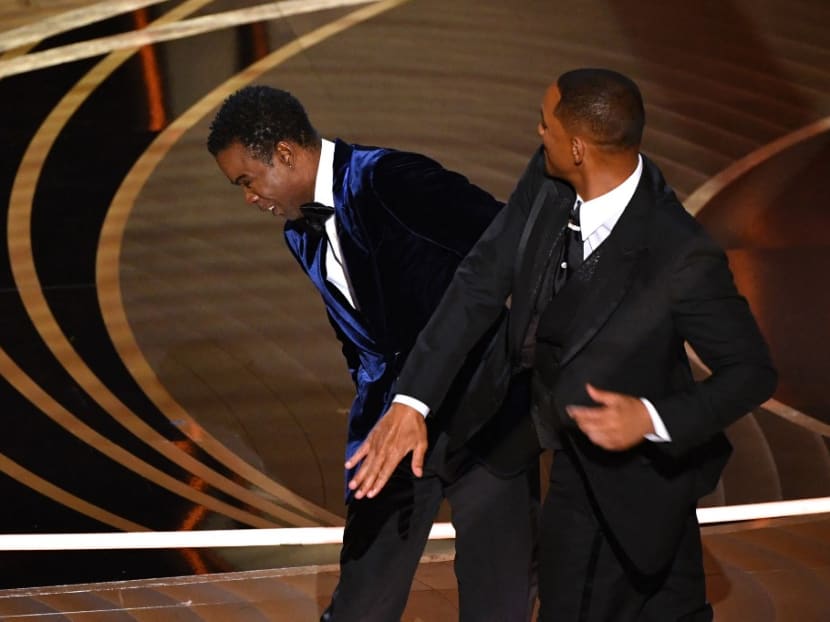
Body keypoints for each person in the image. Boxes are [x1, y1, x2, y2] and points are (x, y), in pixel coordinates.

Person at [347, 68, 777, 621]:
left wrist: (650, 418)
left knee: (650, 594)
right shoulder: (548, 176)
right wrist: (412, 401)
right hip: (547, 431)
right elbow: (480, 280)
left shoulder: (679, 255)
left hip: (635, 473)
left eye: (545, 124)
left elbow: (751, 371)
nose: (537, 132)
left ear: (578, 148)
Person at [206, 85, 539, 622]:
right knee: (362, 601)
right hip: (389, 428)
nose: (249, 197)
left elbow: (509, 243)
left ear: (285, 154)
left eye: (247, 180)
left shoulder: (390, 179)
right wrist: (376, 397)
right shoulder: (300, 234)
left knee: (498, 601)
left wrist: (523, 353)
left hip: (484, 413)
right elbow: (357, 336)